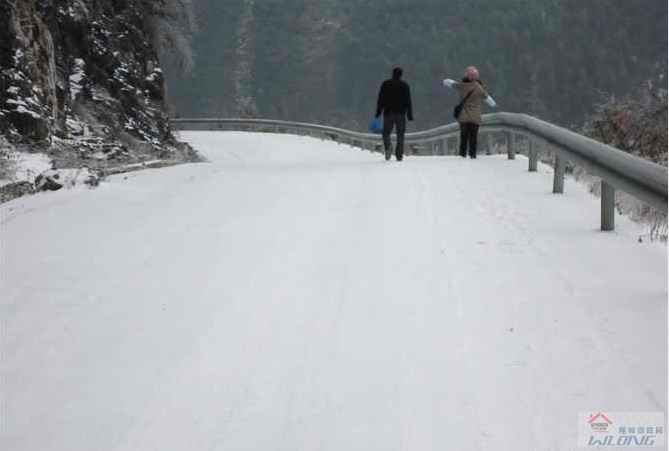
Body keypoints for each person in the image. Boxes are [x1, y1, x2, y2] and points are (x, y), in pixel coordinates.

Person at [443, 66, 496, 158]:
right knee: (473, 137)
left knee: (464, 137)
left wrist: (445, 81)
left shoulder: (462, 86)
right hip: (475, 117)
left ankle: (462, 154)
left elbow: (451, 83)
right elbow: (488, 99)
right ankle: (472, 155)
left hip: (464, 117)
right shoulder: (479, 88)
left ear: (466, 75)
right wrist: (494, 105)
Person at [376, 67, 414, 161]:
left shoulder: (386, 84)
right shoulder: (405, 85)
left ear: (392, 74)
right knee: (400, 134)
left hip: (388, 113)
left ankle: (388, 146)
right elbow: (408, 101)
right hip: (401, 113)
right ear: (401, 75)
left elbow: (381, 99)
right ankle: (399, 154)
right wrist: (409, 114)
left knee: (386, 133)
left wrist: (378, 111)